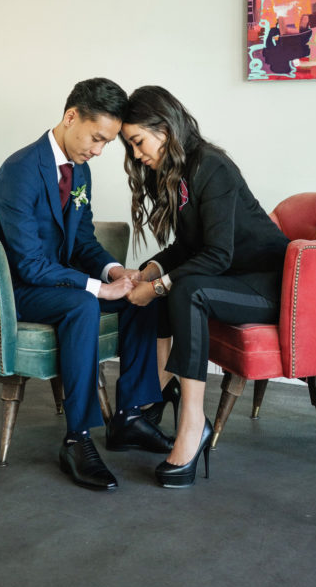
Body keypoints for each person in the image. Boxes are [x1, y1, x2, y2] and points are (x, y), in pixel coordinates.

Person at [0, 77, 173, 491]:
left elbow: (82, 240)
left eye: (108, 143)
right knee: (82, 304)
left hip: (56, 283)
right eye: (96, 138)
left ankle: (129, 416)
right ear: (71, 117)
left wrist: (115, 273)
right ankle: (77, 438)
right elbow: (29, 265)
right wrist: (95, 289)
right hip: (17, 290)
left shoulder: (79, 171)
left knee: (143, 297)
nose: (99, 150)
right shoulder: (20, 170)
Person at [121, 86, 289, 488]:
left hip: (271, 286)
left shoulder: (213, 167)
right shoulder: (180, 170)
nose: (136, 154)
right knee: (170, 282)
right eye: (130, 146)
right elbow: (187, 247)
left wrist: (158, 286)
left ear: (164, 128)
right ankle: (155, 393)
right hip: (233, 279)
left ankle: (193, 423)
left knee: (185, 289)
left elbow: (216, 255)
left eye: (138, 142)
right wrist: (149, 271)